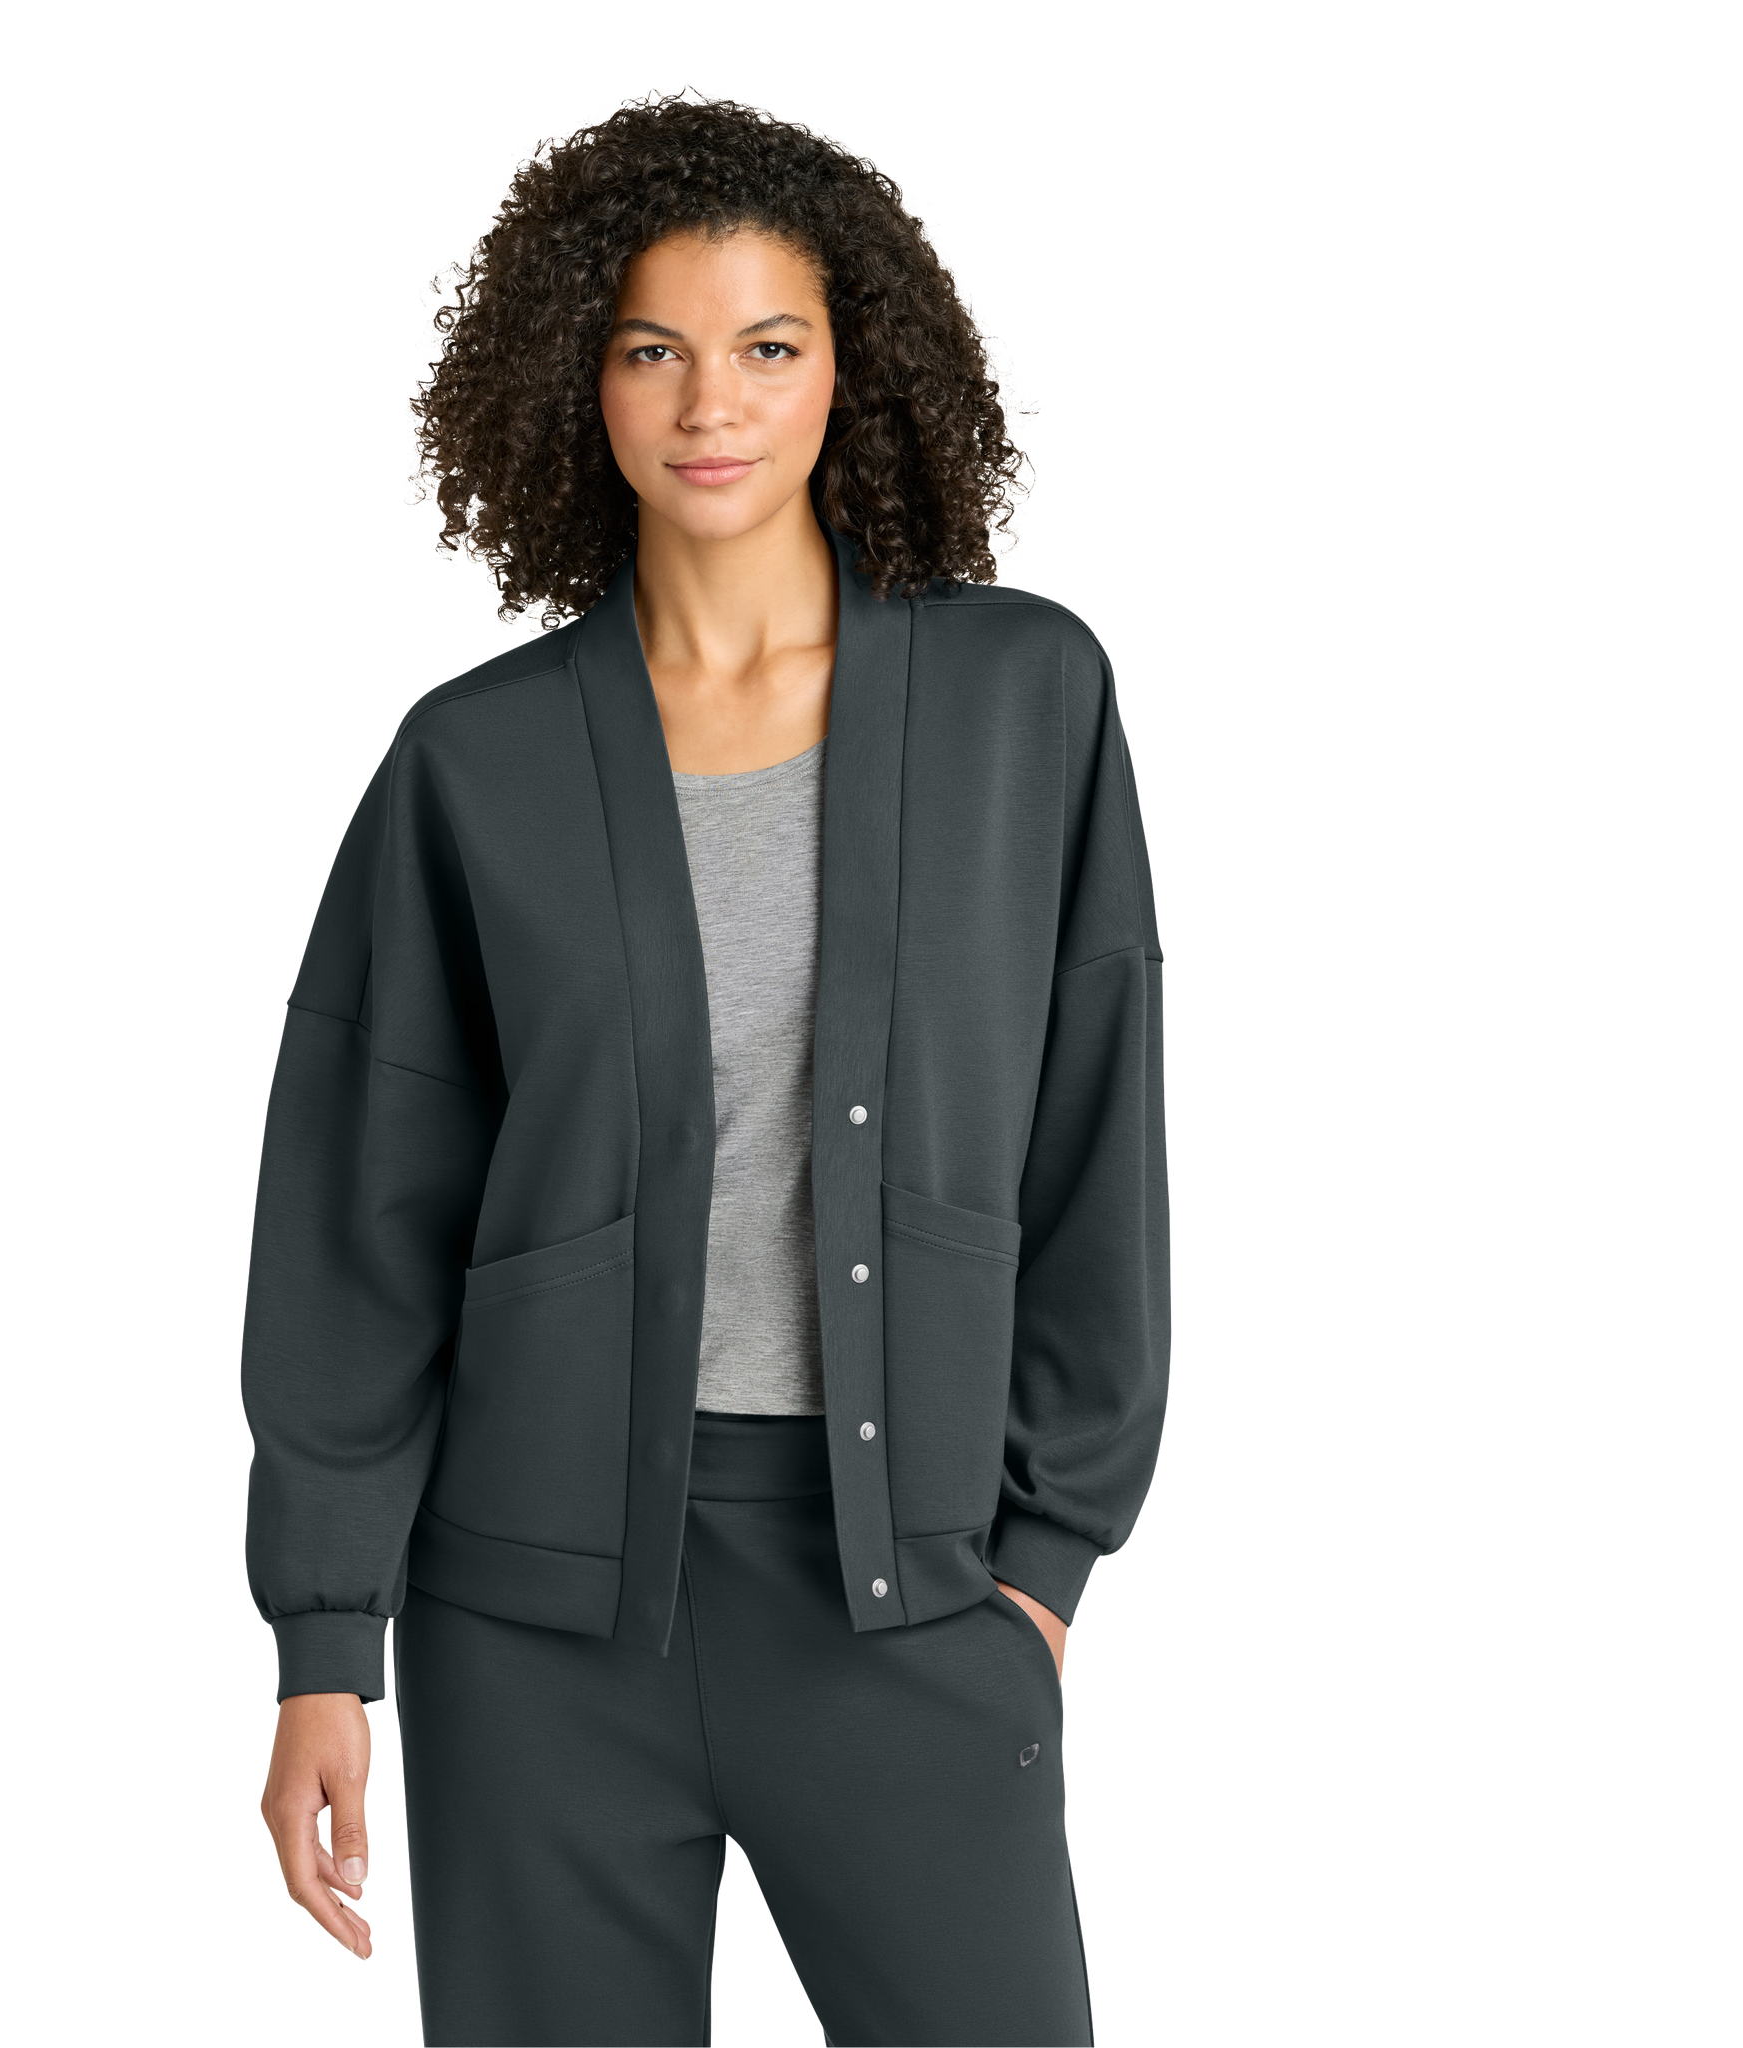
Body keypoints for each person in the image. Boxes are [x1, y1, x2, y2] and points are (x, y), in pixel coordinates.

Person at [242, 84, 1172, 2047]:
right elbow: (359, 1214)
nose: (708, 406)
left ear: (860, 368)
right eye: (650, 350)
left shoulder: (1027, 698)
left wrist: (1043, 1566)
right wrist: (325, 1640)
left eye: (768, 347)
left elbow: (1096, 1139)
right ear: (571, 377)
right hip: (533, 1625)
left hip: (913, 1598)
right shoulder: (472, 759)